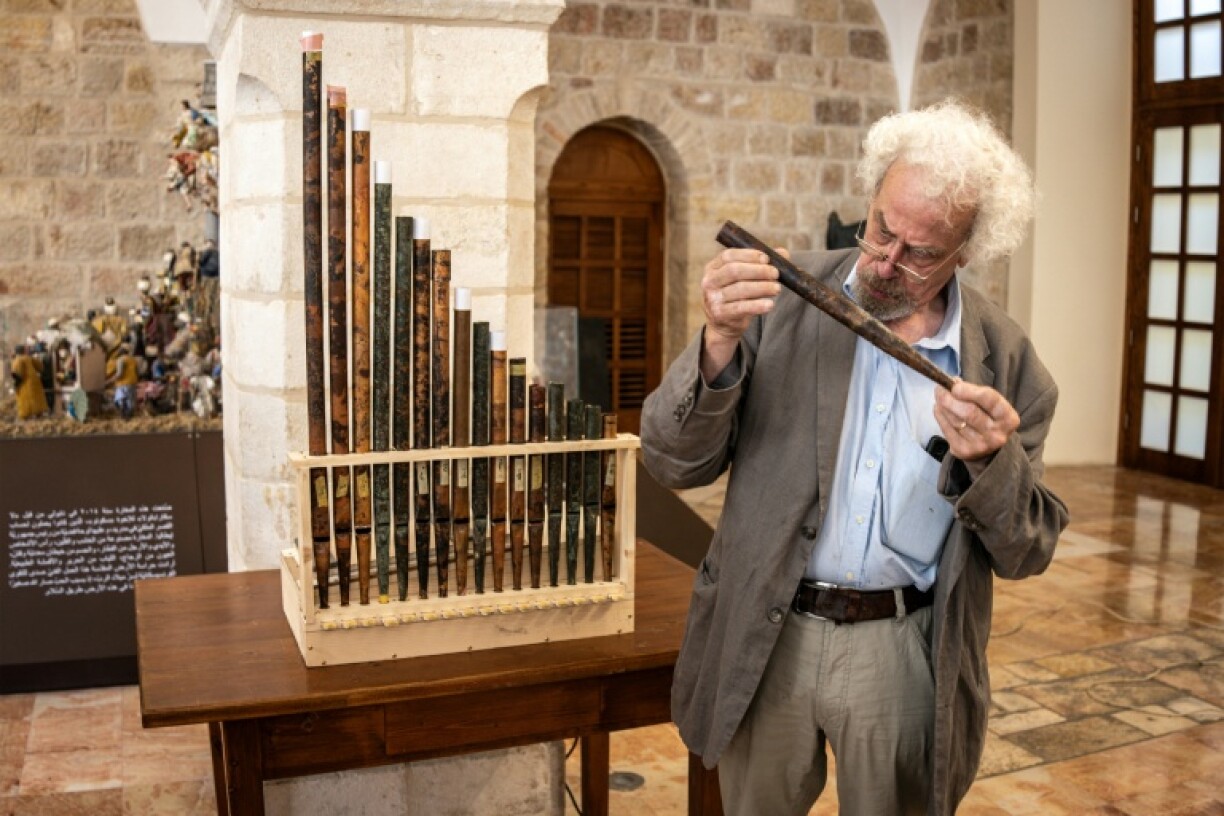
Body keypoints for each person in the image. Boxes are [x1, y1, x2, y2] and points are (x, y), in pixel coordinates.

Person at [640, 99, 1070, 815]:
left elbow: (1029, 548)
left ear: (968, 251)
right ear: (870, 200)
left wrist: (992, 465)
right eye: (880, 230)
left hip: (901, 650)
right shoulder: (780, 301)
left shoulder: (1009, 363)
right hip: (765, 630)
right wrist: (716, 343)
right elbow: (672, 460)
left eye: (922, 251)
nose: (887, 261)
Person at [11, 344, 50, 420]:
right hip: (35, 382)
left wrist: (15, 386)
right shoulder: (29, 358)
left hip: (25, 384)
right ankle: (38, 414)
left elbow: (18, 374)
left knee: (26, 401)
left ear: (16, 352)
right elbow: (40, 367)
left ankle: (27, 417)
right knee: (37, 399)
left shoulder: (17, 360)